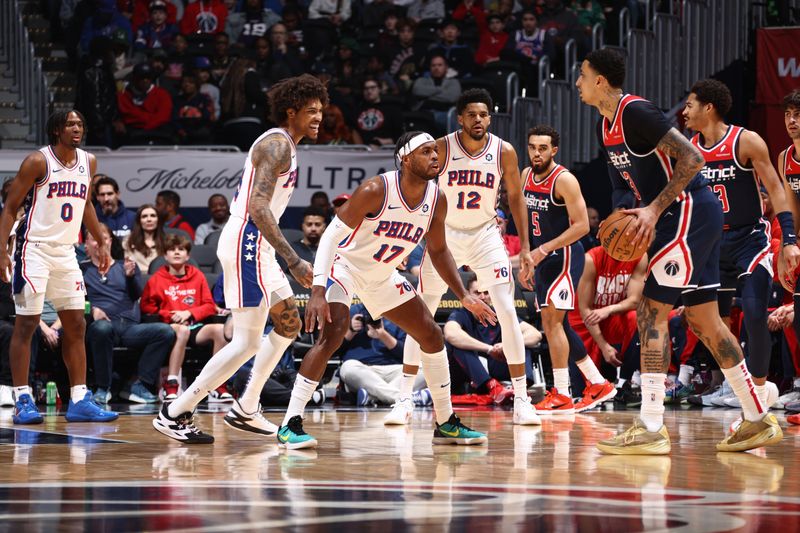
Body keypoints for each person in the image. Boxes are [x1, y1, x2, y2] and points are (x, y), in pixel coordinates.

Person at [576, 48, 781, 454]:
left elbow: (693, 157)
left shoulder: (635, 111)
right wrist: (623, 215)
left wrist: (653, 209)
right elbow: (623, 185)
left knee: (651, 310)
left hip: (688, 210)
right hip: (681, 216)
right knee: (705, 320)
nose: (578, 83)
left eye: (582, 76)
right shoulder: (606, 126)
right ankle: (756, 416)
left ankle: (651, 424)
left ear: (600, 80)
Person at [276, 131, 496, 449]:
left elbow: (438, 251)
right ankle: (290, 423)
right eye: (426, 151)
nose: (436, 156)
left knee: (432, 336)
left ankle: (446, 422)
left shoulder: (437, 198)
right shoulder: (377, 189)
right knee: (333, 335)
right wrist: (318, 290)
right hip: (345, 267)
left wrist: (463, 294)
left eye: (437, 151)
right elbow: (329, 238)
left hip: (381, 274)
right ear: (405, 158)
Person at [153, 74, 328, 444]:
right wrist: (294, 260)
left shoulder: (288, 146)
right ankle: (176, 410)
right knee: (246, 342)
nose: (318, 118)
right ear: (290, 112)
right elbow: (257, 206)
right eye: (311, 111)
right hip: (248, 239)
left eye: (321, 111)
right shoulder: (277, 145)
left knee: (288, 326)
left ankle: (246, 407)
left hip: (257, 242)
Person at [397, 89, 541, 427]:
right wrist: (406, 240)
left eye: (485, 114)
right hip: (444, 234)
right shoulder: (441, 148)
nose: (479, 120)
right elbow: (415, 188)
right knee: (422, 311)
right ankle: (403, 397)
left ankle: (522, 399)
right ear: (460, 118)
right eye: (472, 115)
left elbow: (517, 199)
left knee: (506, 308)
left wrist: (525, 247)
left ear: (491, 117)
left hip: (484, 233)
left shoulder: (504, 150)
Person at [683, 78, 798, 410]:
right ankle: (741, 385)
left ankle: (758, 395)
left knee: (753, 314)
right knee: (708, 324)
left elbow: (777, 190)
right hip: (711, 246)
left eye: (690, 105)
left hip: (749, 241)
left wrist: (788, 238)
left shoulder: (746, 141)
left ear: (709, 108)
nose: (684, 112)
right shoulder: (688, 150)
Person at [0, 110, 118, 424]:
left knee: (76, 325)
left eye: (80, 123)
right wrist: (1, 250)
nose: (77, 128)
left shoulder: (88, 161)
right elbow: (11, 207)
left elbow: (87, 204)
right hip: (33, 250)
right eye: (70, 124)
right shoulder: (37, 162)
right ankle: (23, 397)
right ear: (56, 130)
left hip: (66, 252)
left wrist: (100, 239)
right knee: (26, 325)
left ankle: (79, 398)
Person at [520, 125, 615, 413]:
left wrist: (544, 249)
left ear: (554, 150)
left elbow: (583, 226)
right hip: (542, 258)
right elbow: (527, 219)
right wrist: (527, 255)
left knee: (551, 323)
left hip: (563, 256)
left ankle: (562, 393)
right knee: (557, 325)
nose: (537, 153)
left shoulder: (565, 180)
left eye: (543, 148)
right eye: (533, 147)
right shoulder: (525, 176)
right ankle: (597, 383)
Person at [83, 224, 176, 404]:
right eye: (94, 237)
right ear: (86, 243)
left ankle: (139, 386)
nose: (100, 242)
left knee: (165, 332)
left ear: (110, 241)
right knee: (101, 328)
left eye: (104, 237)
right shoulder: (82, 270)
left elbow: (136, 296)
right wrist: (93, 309)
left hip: (130, 327)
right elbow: (76, 298)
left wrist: (131, 277)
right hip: (102, 325)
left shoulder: (124, 265)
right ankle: (103, 388)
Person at [140, 234, 230, 401]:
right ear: (165, 256)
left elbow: (209, 305)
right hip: (171, 327)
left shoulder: (197, 275)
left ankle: (216, 383)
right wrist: (170, 315)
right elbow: (147, 307)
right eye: (171, 250)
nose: (176, 252)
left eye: (180, 249)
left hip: (195, 325)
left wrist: (190, 313)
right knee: (182, 330)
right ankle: (172, 384)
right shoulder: (156, 279)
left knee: (219, 330)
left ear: (187, 255)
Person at [443, 272, 542, 404]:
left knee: (523, 344)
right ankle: (493, 388)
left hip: (497, 363)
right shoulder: (461, 314)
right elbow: (451, 334)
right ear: (468, 294)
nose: (482, 297)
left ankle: (519, 389)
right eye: (477, 293)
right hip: (471, 369)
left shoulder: (500, 313)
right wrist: (488, 349)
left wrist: (507, 346)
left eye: (486, 293)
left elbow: (535, 334)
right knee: (456, 345)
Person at [570, 246, 646, 406]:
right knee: (584, 395)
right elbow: (585, 310)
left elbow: (635, 300)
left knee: (637, 317)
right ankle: (581, 389)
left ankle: (624, 383)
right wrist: (604, 346)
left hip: (610, 315)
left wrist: (608, 309)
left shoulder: (639, 256)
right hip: (584, 321)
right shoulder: (591, 259)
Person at [339, 303, 429, 407]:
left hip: (395, 372)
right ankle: (405, 398)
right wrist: (350, 331)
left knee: (424, 368)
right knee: (347, 367)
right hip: (363, 371)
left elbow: (408, 354)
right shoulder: (351, 311)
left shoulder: (401, 313)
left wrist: (382, 335)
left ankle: (372, 397)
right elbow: (335, 351)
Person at [776, 89, 800, 389]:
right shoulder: (785, 158)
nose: (792, 121)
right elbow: (791, 206)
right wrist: (788, 242)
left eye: (798, 116)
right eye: (787, 115)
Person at [277, 206, 326, 272]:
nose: (313, 228)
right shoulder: (291, 249)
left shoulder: (330, 249)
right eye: (309, 224)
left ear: (324, 227)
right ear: (303, 226)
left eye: (317, 224)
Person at [123, 204, 166, 272]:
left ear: (158, 220)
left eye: (153, 216)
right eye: (144, 216)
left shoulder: (166, 242)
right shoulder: (129, 241)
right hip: (138, 279)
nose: (149, 219)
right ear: (139, 221)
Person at [94, 175, 137, 240]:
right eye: (102, 194)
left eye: (110, 194)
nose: (106, 199)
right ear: (97, 197)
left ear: (117, 194)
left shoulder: (133, 218)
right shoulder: (91, 219)